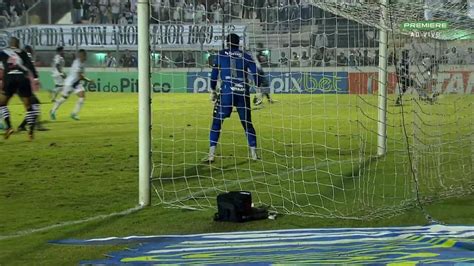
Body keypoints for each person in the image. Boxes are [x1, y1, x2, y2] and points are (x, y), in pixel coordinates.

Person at [204, 33, 262, 163]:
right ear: (239, 43)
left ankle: (211, 155)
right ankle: (253, 154)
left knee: (217, 122)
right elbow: (256, 74)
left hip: (226, 93)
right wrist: (258, 92)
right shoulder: (246, 56)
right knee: (247, 124)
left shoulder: (221, 54)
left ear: (227, 43)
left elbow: (214, 75)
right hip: (242, 93)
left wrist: (213, 90)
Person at [0, 37, 38, 140]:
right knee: (28, 106)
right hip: (22, 79)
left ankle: (8, 126)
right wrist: (35, 77)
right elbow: (30, 66)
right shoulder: (23, 53)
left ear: (10, 43)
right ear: (18, 44)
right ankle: (30, 131)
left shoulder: (3, 52)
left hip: (10, 79)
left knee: (2, 103)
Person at [50, 49, 93, 121]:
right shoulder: (78, 63)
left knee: (82, 96)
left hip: (76, 83)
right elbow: (80, 76)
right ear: (81, 56)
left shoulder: (81, 62)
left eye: (85, 55)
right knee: (63, 98)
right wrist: (89, 80)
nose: (86, 56)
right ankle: (53, 111)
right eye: (84, 55)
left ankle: (74, 114)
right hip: (69, 83)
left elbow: (80, 76)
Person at [17, 45, 48, 132]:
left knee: (32, 105)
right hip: (22, 86)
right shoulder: (27, 57)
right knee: (35, 104)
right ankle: (37, 125)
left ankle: (23, 126)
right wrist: (35, 78)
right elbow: (30, 68)